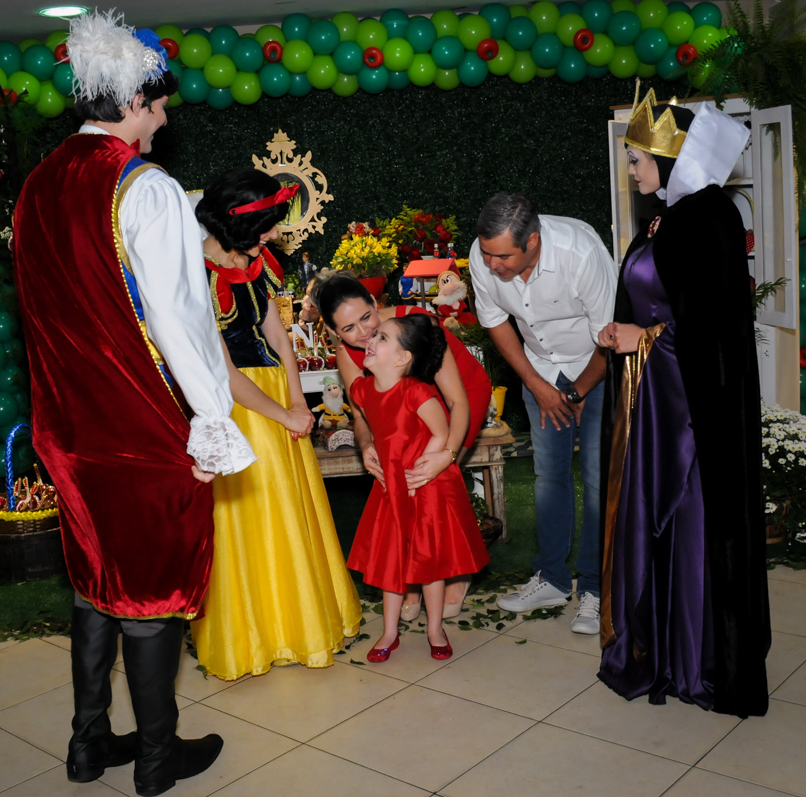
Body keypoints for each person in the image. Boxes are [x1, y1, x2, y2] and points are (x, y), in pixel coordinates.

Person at [12, 12, 254, 794]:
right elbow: (182, 318)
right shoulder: (144, 188)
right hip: (137, 427)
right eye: (157, 105)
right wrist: (214, 418)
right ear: (132, 100)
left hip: (67, 431)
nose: (163, 119)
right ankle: (156, 755)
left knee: (95, 581)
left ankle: (89, 745)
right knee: (150, 589)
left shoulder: (36, 185)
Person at [596, 89, 769, 717]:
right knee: (655, 520)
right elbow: (658, 299)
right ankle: (660, 650)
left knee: (694, 520)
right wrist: (627, 331)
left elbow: (714, 329)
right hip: (655, 399)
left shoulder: (710, 217)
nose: (633, 170)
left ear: (672, 160)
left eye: (640, 159)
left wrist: (649, 336)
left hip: (693, 414)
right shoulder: (666, 217)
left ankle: (700, 659)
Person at [189, 168, 361, 681]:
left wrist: (297, 401)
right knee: (251, 522)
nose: (274, 235)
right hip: (234, 407)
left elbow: (279, 335)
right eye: (267, 226)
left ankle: (303, 620)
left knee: (292, 511)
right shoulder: (195, 275)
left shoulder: (260, 262)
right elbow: (216, 367)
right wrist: (280, 412)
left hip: (275, 399)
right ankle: (257, 634)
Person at [470, 192, 615, 635]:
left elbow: (611, 336)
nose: (492, 264)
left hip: (599, 367)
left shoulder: (581, 252)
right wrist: (537, 385)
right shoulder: (484, 253)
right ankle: (551, 578)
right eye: (487, 254)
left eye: (503, 256)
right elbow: (495, 322)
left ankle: (594, 589)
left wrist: (579, 389)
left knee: (596, 479)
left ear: (533, 242)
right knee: (548, 474)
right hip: (540, 372)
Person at [317, 274, 492, 619]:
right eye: (349, 329)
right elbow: (364, 412)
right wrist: (367, 446)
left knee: (438, 483)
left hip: (455, 398)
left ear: (373, 301)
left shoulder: (417, 323)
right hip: (404, 409)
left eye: (367, 317)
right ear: (335, 333)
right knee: (402, 486)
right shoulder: (348, 356)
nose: (364, 333)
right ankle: (411, 580)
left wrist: (447, 454)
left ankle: (457, 569)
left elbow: (456, 401)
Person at [348, 314, 491, 662]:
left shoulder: (417, 392)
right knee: (391, 563)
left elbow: (441, 433)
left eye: (381, 337)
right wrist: (368, 449)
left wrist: (419, 473)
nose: (369, 339)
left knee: (430, 562)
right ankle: (389, 631)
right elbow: (362, 420)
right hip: (390, 491)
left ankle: (435, 628)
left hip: (425, 488)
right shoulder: (362, 390)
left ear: (402, 359)